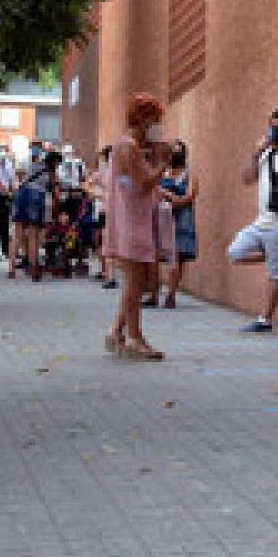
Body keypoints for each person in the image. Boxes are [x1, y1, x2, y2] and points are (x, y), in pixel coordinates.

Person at [103, 94, 173, 359]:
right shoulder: (127, 146)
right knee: (136, 281)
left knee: (136, 280)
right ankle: (135, 338)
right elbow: (144, 183)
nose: (158, 126)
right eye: (155, 120)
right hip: (131, 221)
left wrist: (155, 154)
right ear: (143, 119)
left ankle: (117, 332)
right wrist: (163, 162)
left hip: (134, 218)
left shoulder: (129, 146)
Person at [229, 108, 278, 332]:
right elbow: (246, 179)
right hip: (260, 222)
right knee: (235, 253)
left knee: (277, 274)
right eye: (273, 126)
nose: (275, 131)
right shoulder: (266, 154)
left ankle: (265, 320)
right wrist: (256, 154)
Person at [149, 139, 199, 308]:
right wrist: (170, 197)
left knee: (177, 256)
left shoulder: (189, 173)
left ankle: (171, 295)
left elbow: (191, 194)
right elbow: (152, 189)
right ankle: (153, 295)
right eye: (173, 151)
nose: (175, 155)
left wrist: (174, 199)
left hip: (182, 217)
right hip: (161, 216)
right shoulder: (162, 172)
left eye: (179, 151)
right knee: (154, 255)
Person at [10, 149, 61, 281]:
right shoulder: (51, 172)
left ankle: (11, 269)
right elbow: (55, 191)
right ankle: (33, 269)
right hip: (35, 198)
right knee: (34, 236)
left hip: (21, 195)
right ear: (55, 162)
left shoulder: (34, 165)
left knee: (17, 234)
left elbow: (21, 176)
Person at [88, 146, 117, 288]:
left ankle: (109, 275)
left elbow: (87, 185)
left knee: (105, 242)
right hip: (110, 211)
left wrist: (97, 194)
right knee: (103, 242)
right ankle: (107, 273)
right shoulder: (108, 172)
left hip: (107, 211)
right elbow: (88, 184)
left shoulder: (107, 172)